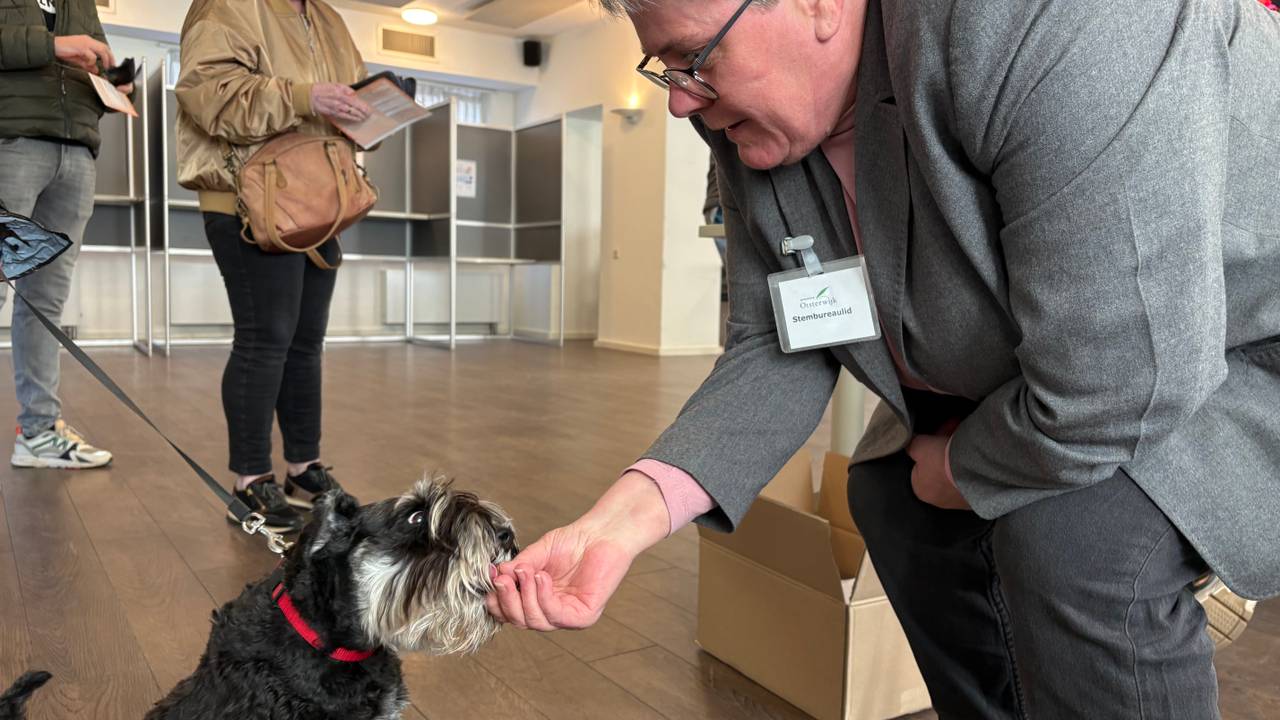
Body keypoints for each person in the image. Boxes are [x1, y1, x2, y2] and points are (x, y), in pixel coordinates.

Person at [488, 1, 1280, 718]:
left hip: (1234, 348)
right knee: (889, 496)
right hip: (1067, 367)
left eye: (695, 58)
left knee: (1075, 540)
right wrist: (616, 527)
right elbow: (784, 338)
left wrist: (963, 468)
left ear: (817, 5)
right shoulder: (748, 113)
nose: (680, 99)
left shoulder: (1042, 18)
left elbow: (1119, 375)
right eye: (664, 67)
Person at [175, 0, 372, 533]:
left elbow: (347, 102)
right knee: (266, 341)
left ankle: (303, 471)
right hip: (248, 199)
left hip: (320, 202)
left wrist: (367, 111)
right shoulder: (226, 6)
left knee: (306, 342)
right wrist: (307, 96)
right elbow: (206, 95)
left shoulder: (329, 19)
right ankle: (249, 481)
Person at [0, 0, 131, 469]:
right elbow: (55, 52)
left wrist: (112, 89)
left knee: (46, 302)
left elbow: (84, 66)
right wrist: (53, 46)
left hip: (75, 153)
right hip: (9, 142)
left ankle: (37, 433)